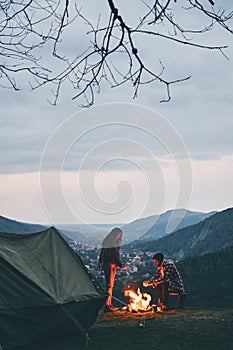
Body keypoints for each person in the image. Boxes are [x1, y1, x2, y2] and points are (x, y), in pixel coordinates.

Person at [98, 227, 126, 312]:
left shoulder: (112, 241)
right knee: (109, 285)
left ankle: (109, 304)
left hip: (113, 264)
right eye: (118, 235)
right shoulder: (110, 242)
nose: (118, 237)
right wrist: (120, 265)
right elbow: (113, 255)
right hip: (109, 263)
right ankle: (107, 305)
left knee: (111, 285)